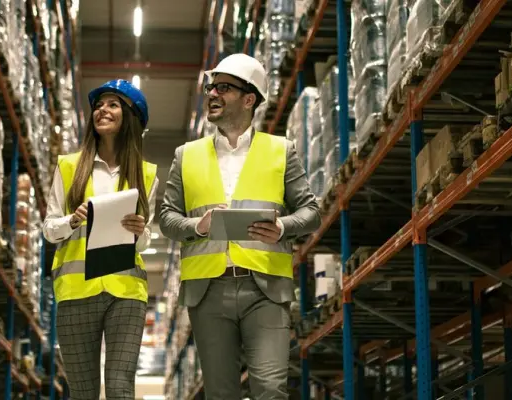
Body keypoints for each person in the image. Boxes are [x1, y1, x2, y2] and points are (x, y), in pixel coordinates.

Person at [159, 53, 321, 400]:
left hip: (265, 289)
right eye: (211, 88)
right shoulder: (185, 155)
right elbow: (167, 219)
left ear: (249, 99)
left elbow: (311, 212)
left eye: (224, 88)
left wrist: (282, 227)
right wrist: (198, 226)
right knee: (221, 393)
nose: (213, 94)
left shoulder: (281, 151)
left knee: (271, 388)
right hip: (208, 291)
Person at [42, 79, 158, 400]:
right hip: (77, 290)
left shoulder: (147, 174)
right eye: (98, 104)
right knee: (83, 393)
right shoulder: (68, 167)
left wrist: (139, 232)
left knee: (121, 387)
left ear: (130, 117)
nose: (101, 110)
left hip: (126, 291)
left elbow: (145, 242)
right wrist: (73, 219)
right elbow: (50, 228)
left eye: (112, 104)